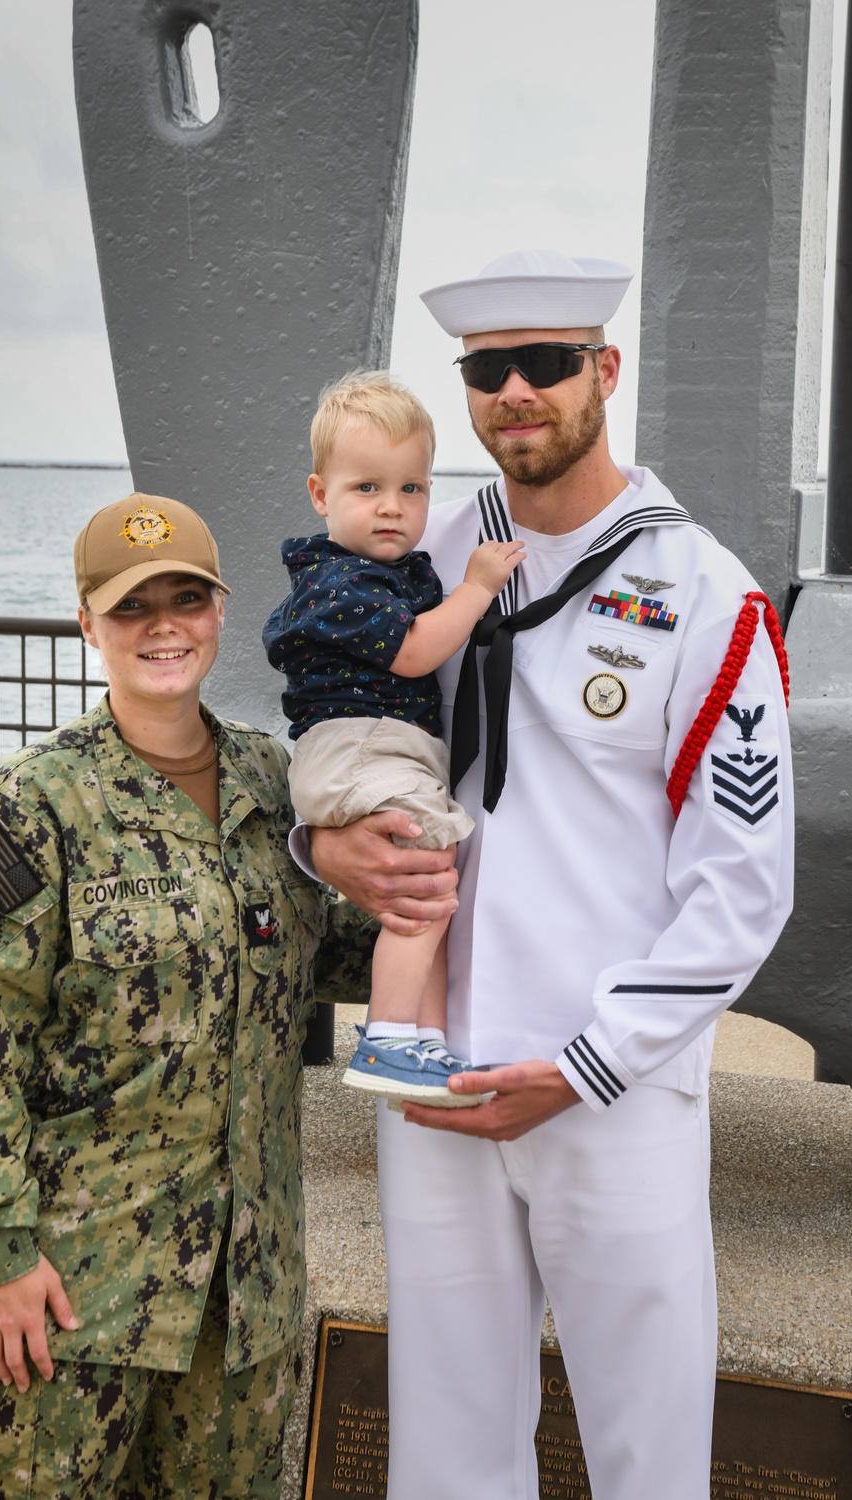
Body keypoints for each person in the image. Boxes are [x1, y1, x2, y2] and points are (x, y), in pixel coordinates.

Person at [303, 250, 794, 1500]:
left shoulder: (705, 595)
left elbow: (743, 884)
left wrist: (591, 1064)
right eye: (487, 370)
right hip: (435, 1071)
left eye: (548, 365)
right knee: (446, 1450)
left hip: (606, 1086)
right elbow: (334, 722)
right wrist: (322, 848)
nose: (516, 392)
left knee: (645, 1447)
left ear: (604, 371)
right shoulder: (429, 549)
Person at [0, 493, 370, 1500]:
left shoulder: (271, 782)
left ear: (217, 612)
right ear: (87, 626)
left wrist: (462, 895)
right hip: (72, 1304)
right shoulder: (35, 805)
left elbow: (322, 948)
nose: (162, 626)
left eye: (185, 598)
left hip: (240, 1312)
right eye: (130, 607)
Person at [263, 370, 523, 1104]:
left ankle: (427, 1045)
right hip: (360, 747)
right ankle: (385, 1039)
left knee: (429, 902)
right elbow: (414, 652)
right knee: (428, 881)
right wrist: (476, 587)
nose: (392, 507)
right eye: (367, 488)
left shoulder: (383, 572)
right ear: (321, 496)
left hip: (373, 750)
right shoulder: (340, 583)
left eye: (412, 489)